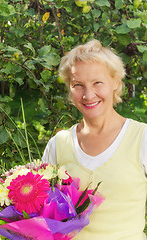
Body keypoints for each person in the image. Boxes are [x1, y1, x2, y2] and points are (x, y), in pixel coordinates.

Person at [42, 39, 147, 240]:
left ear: (116, 82)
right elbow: (46, 215)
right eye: (78, 85)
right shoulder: (58, 144)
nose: (88, 94)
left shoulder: (142, 139)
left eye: (97, 82)